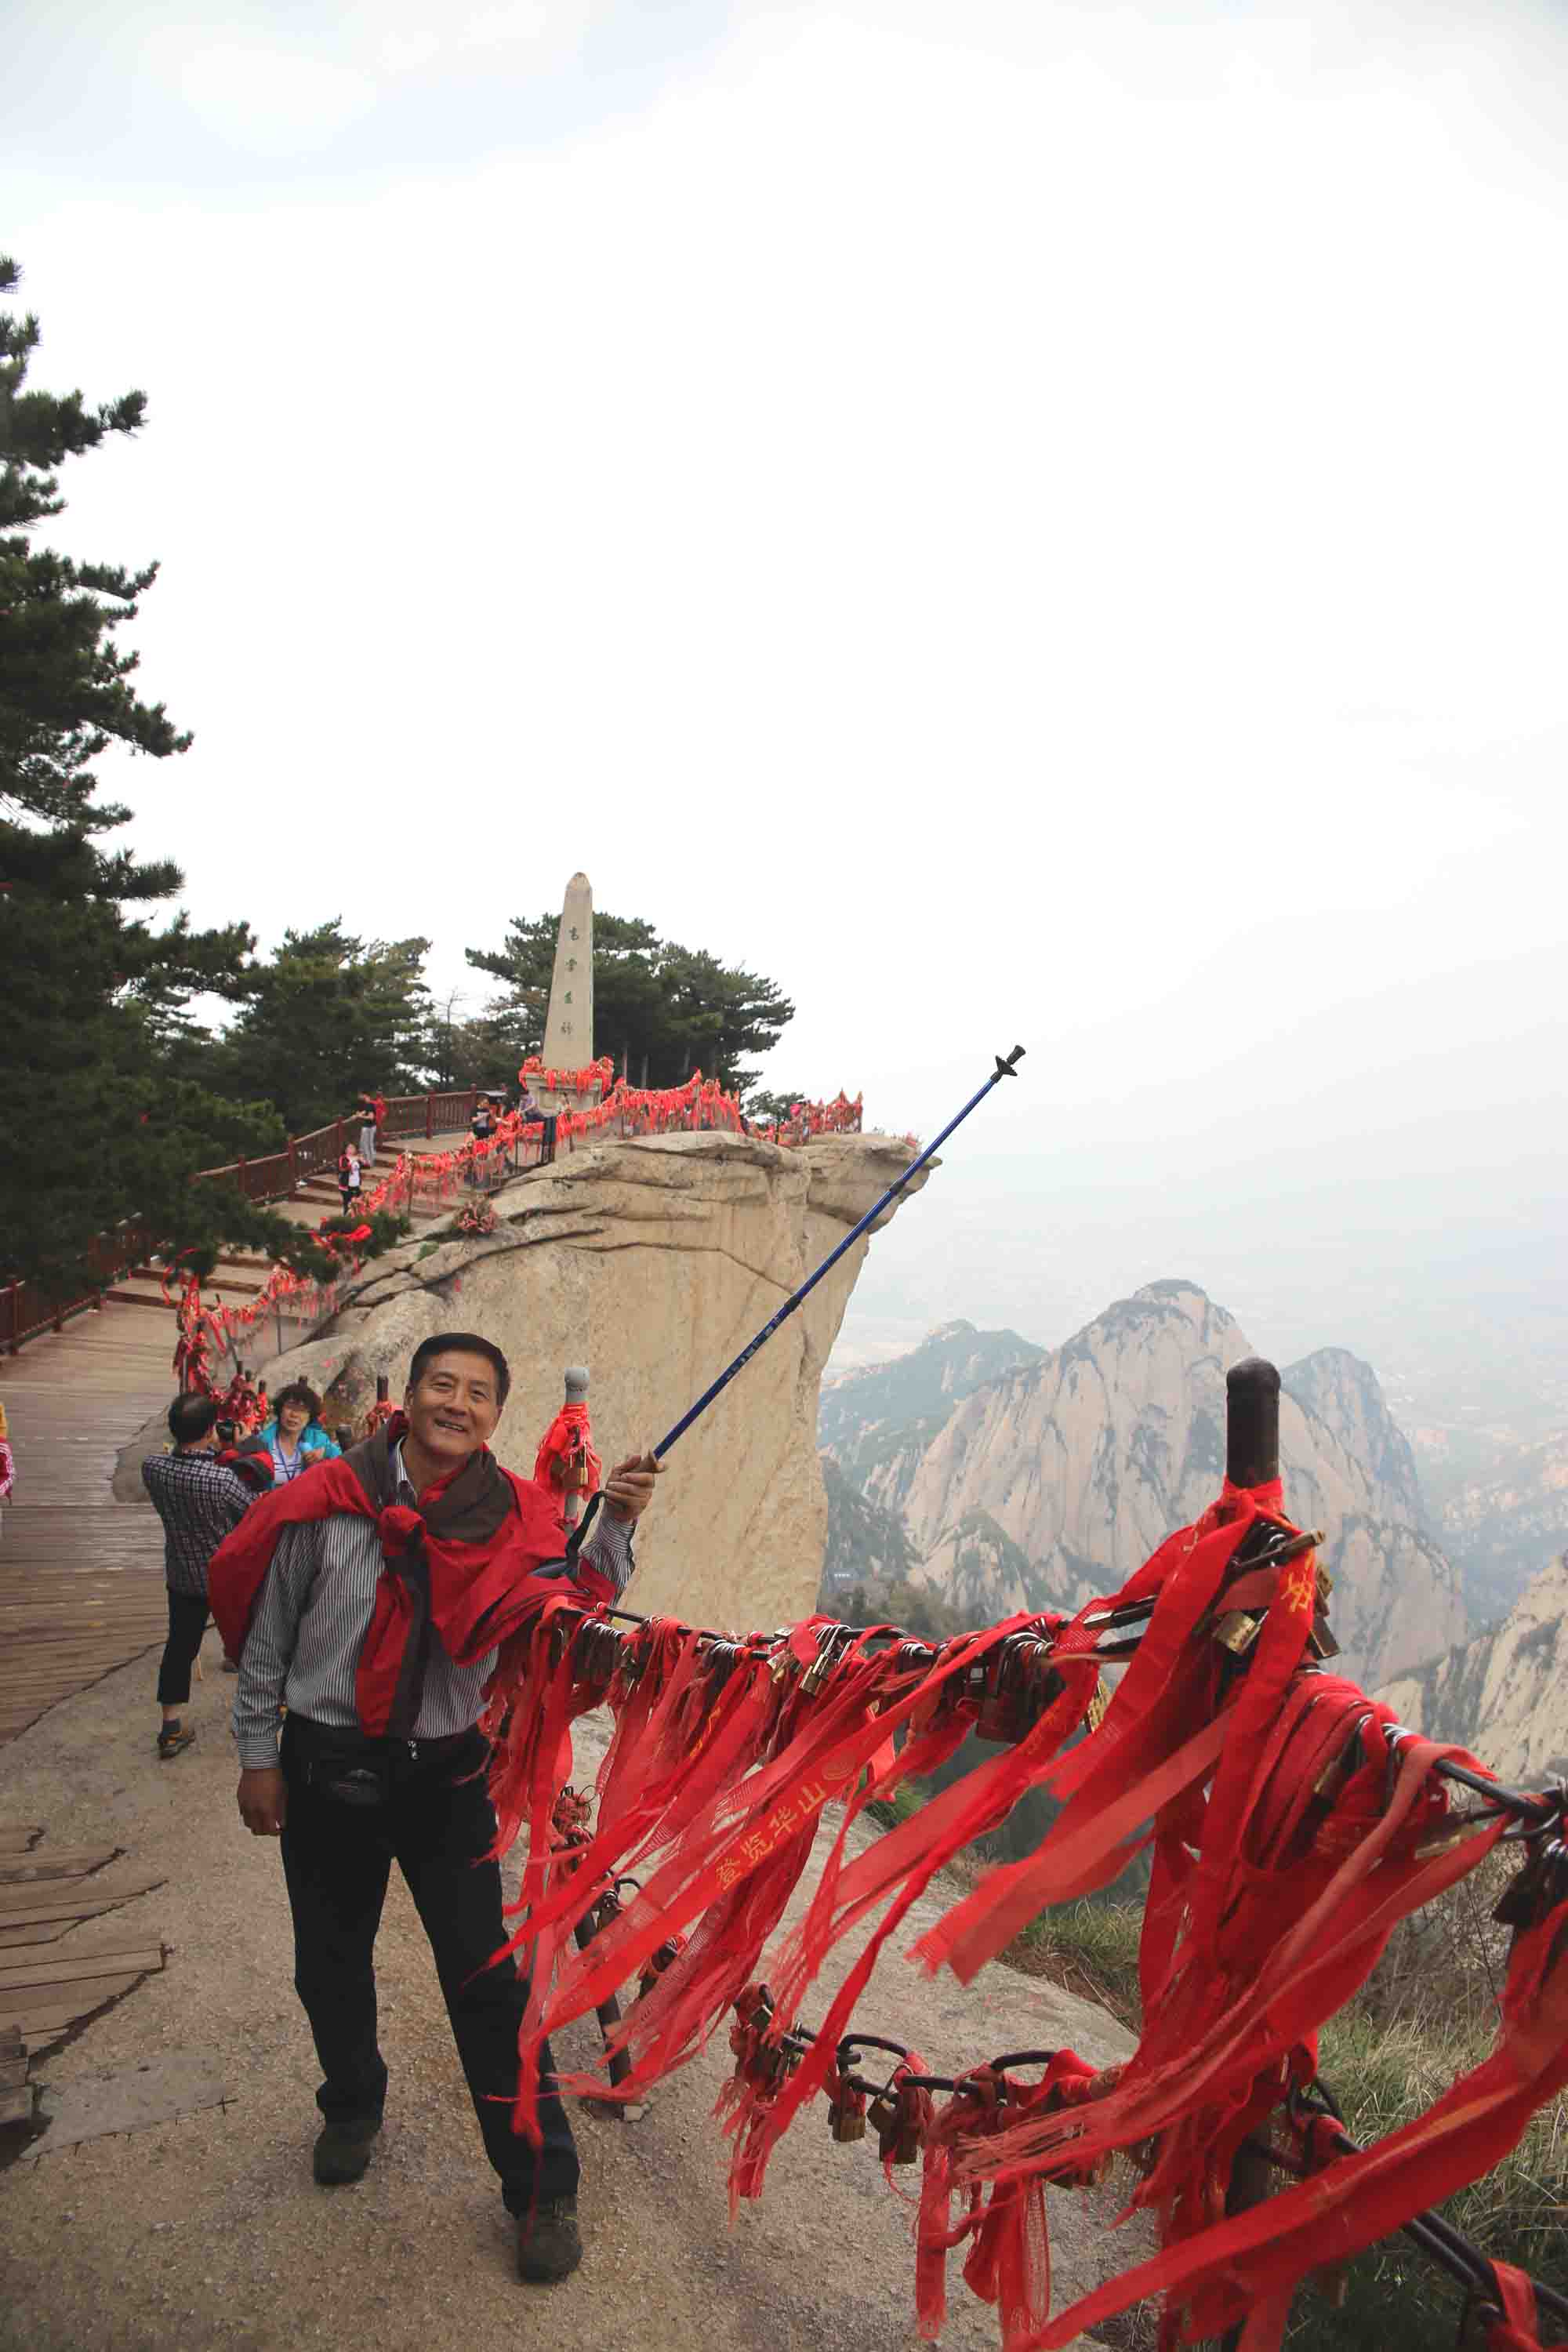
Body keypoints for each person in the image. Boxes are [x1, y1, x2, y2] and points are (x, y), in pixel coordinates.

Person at [211, 1333, 659, 2285]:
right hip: (325, 1762)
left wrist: (613, 1521)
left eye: (480, 1394)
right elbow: (267, 1641)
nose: (458, 1404)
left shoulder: (514, 1522)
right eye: (442, 1385)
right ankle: (351, 2104)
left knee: (485, 1986)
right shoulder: (322, 1504)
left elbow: (573, 1605)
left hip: (445, 1775)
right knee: (327, 1963)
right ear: (408, 1398)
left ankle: (541, 2187)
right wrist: (259, 1759)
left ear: (497, 1416)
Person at [140, 1393, 264, 1757]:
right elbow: (255, 1512)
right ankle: (263, 1712)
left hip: (182, 1575)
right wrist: (244, 1449)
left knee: (179, 1647)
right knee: (254, 1641)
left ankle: (171, 1728)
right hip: (225, 1577)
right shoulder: (221, 1479)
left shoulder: (153, 1468)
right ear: (212, 1430)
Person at [247, 1382, 342, 1486]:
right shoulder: (262, 1442)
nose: (294, 1414)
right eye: (290, 1407)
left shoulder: (319, 1441)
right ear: (280, 1409)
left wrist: (326, 1452)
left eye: (302, 1410)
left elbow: (343, 1465)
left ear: (310, 1416)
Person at [338, 1142, 362, 1218]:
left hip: (356, 1184)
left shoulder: (357, 1158)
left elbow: (366, 1166)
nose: (352, 1149)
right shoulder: (343, 1158)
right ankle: (346, 1220)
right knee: (348, 1205)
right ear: (345, 1150)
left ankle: (355, 1218)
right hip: (346, 1186)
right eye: (350, 1148)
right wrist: (352, 1161)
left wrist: (362, 1160)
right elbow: (343, 1169)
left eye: (353, 1148)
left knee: (359, 1202)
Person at [358, 1094, 379, 1169]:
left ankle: (370, 1163)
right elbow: (365, 1111)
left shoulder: (370, 1105)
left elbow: (371, 1117)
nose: (363, 1098)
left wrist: (361, 1117)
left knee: (369, 1145)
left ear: (367, 1097)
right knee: (366, 1145)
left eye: (364, 1096)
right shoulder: (368, 1104)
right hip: (369, 1127)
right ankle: (369, 1162)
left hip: (370, 1127)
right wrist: (358, 1114)